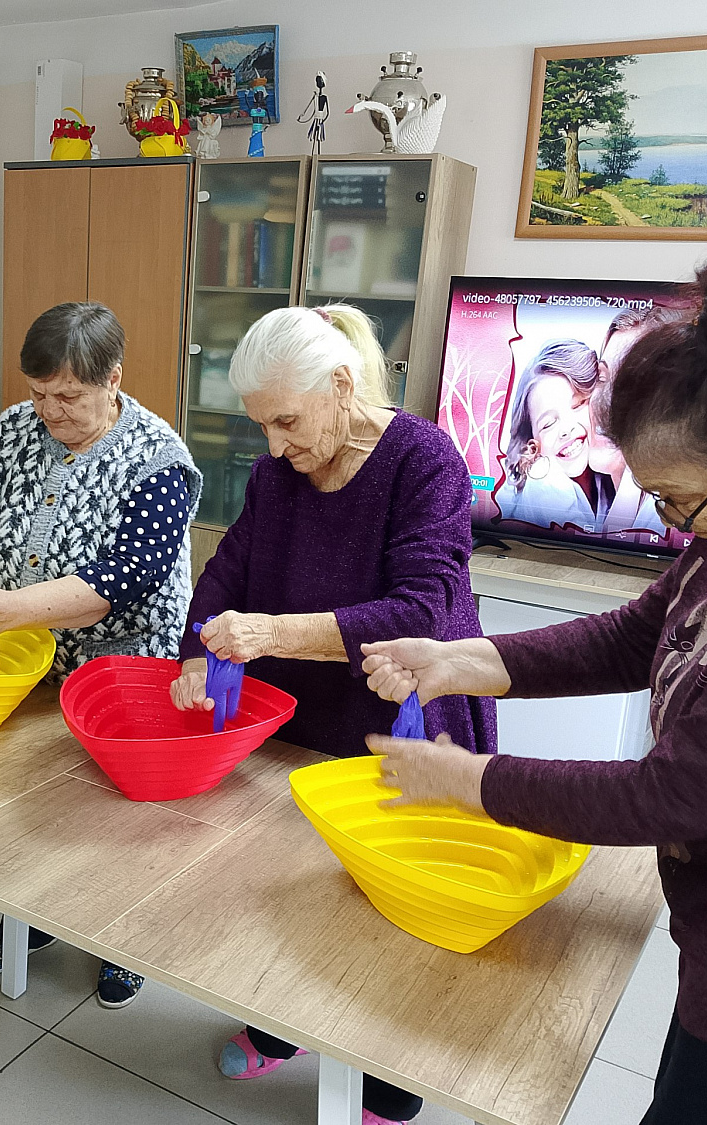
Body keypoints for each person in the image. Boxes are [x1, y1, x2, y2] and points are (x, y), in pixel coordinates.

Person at [361, 247, 707, 1125]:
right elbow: (644, 629)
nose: (674, 524)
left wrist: (467, 781)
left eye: (679, 501)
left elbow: (676, 792)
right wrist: (468, 659)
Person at [168, 304, 496, 1125]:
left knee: (393, 911)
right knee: (296, 885)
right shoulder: (280, 471)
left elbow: (419, 610)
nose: (274, 445)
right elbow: (231, 567)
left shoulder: (426, 462)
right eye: (262, 426)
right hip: (310, 710)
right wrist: (196, 649)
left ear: (341, 385)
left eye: (285, 420)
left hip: (409, 714)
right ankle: (285, 1029)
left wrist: (271, 632)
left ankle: (387, 1079)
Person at [0, 301, 201, 1009]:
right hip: (26, 656)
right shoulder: (15, 432)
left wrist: (5, 611)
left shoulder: (158, 457)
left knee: (115, 817)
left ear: (114, 377)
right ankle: (25, 921)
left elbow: (124, 578)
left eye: (69, 396)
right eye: (38, 392)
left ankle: (125, 938)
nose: (49, 411)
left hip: (122, 662)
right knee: (21, 798)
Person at [495, 339, 611, 531]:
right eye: (548, 424)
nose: (565, 430)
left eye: (578, 405)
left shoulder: (600, 475)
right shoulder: (545, 478)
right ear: (531, 442)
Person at [590, 306, 687, 536]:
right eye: (602, 378)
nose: (606, 401)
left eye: (629, 384)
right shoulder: (587, 501)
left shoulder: (674, 521)